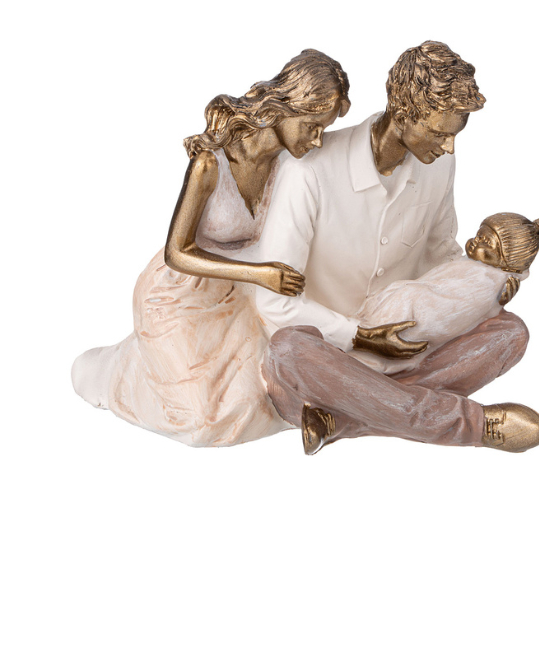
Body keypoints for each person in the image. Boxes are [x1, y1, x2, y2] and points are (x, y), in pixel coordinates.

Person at [255, 41, 539, 454]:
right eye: (440, 133)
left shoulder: (439, 164)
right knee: (287, 349)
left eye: (454, 136)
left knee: (510, 333)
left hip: (410, 350)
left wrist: (486, 285)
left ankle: (344, 419)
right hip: (324, 363)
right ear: (404, 113)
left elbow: (440, 255)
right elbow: (273, 303)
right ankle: (468, 425)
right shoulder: (307, 172)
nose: (448, 147)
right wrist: (362, 338)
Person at [72, 49, 350, 447]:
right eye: (313, 126)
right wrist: (260, 273)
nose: (317, 139)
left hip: (238, 298)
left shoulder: (290, 167)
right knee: (203, 420)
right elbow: (176, 253)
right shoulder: (211, 163)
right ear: (287, 108)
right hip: (179, 295)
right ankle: (113, 372)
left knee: (252, 402)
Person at [354, 212, 539, 373]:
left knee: (407, 296)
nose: (476, 241)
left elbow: (452, 310)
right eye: (478, 235)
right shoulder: (475, 266)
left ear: (506, 260)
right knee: (403, 292)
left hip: (423, 317)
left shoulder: (487, 283)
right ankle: (363, 331)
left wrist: (413, 296)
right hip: (415, 300)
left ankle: (372, 350)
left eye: (486, 242)